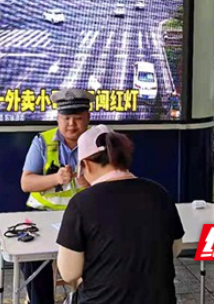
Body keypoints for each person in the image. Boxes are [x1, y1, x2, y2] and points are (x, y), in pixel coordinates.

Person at [57, 125, 186, 305]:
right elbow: (175, 248)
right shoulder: (158, 193)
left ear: (85, 164)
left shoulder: (81, 203)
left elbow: (69, 272)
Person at [20, 89, 94, 305]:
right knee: (33, 259)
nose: (71, 124)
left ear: (88, 117)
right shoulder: (42, 141)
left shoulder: (100, 141)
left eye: (78, 118)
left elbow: (113, 185)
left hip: (87, 217)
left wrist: (88, 185)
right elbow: (26, 183)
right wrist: (55, 178)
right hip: (45, 216)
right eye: (66, 118)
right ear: (58, 118)